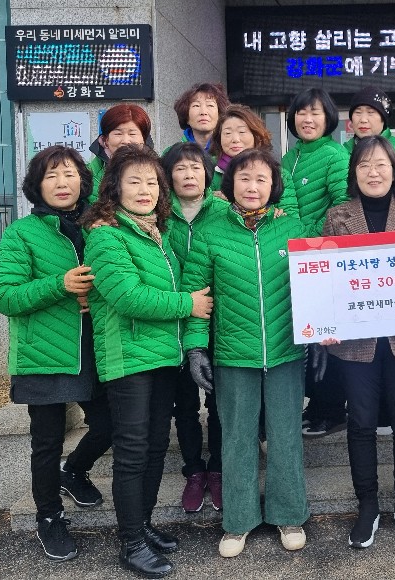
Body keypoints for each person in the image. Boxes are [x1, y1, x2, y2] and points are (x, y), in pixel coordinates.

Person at [82, 144, 213, 578]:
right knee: (133, 451)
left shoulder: (159, 233)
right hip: (128, 359)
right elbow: (128, 297)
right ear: (114, 188)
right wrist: (188, 304)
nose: (145, 190)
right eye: (134, 181)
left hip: (162, 357)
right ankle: (131, 543)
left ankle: (143, 525)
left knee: (156, 446)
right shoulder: (106, 236)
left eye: (152, 182)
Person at [181, 148, 310, 558]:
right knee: (236, 439)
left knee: (285, 435)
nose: (253, 187)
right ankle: (238, 522)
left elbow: (315, 284)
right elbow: (198, 296)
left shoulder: (293, 227)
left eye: (261, 179)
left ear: (274, 186)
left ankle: (289, 515)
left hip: (287, 351)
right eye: (244, 178)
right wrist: (196, 346)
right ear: (230, 183)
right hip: (234, 354)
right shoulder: (210, 233)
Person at [0, 145, 112, 562]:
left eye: (70, 174)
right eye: (51, 176)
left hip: (96, 349)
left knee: (111, 425)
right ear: (36, 185)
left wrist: (94, 297)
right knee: (46, 443)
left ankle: (73, 471)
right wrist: (60, 285)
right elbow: (3, 296)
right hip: (43, 353)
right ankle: (49, 518)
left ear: (84, 180)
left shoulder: (100, 227)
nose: (62, 183)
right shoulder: (21, 234)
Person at [320, 136, 395, 549]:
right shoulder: (337, 215)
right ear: (353, 172)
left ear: (394, 170)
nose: (373, 172)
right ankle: (367, 505)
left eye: (381, 164)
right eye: (364, 164)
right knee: (361, 422)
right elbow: (326, 277)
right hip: (355, 343)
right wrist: (324, 322)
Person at [281, 87, 350, 437]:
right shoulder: (288, 158)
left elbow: (343, 205)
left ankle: (332, 410)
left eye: (315, 113)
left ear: (328, 119)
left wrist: (307, 235)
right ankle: (317, 405)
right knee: (309, 333)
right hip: (296, 258)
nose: (307, 119)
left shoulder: (334, 154)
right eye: (301, 112)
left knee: (326, 337)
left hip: (323, 256)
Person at [160, 142, 225, 514]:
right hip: (171, 319)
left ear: (208, 174)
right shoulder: (156, 215)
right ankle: (194, 470)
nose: (188, 175)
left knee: (218, 401)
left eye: (196, 167)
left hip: (216, 320)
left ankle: (217, 468)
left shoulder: (226, 211)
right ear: (168, 176)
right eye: (180, 169)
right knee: (183, 403)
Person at [209, 103, 299, 217]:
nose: (235, 139)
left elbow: (291, 217)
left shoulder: (277, 173)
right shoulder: (208, 169)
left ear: (256, 135)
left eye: (242, 132)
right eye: (227, 133)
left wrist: (268, 213)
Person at [343, 88, 395, 198]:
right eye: (358, 113)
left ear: (383, 119)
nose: (363, 119)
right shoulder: (343, 151)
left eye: (371, 113)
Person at [86, 104, 153, 202]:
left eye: (132, 133)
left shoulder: (159, 171)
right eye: (118, 133)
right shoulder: (86, 176)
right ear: (105, 140)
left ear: (144, 139)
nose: (125, 140)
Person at [172, 82, 229, 154]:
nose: (203, 112)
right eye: (196, 105)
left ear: (220, 114)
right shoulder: (172, 153)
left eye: (210, 105)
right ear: (186, 116)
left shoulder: (231, 151)